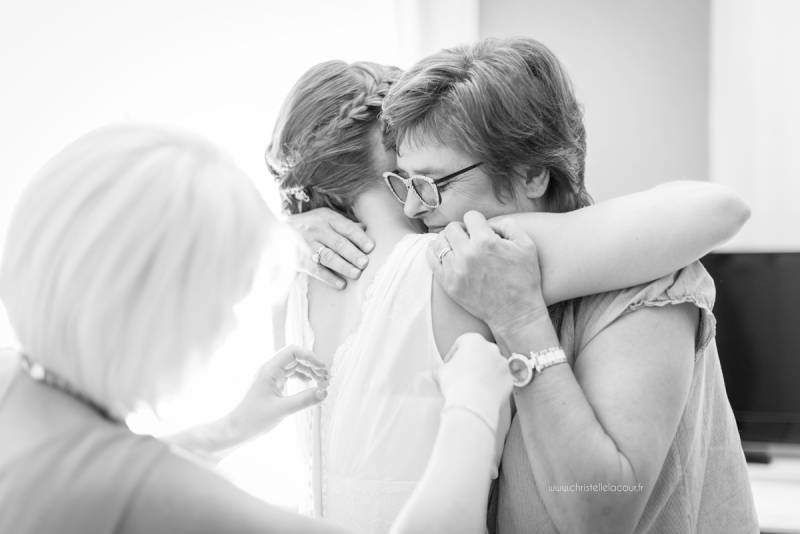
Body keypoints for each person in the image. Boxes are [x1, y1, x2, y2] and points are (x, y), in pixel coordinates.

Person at [265, 59, 751, 532]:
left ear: (531, 175)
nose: (412, 205)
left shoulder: (646, 281)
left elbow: (600, 514)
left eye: (431, 183)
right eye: (401, 181)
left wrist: (519, 318)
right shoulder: (455, 270)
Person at [0, 123, 514, 534]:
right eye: (222, 295)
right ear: (147, 305)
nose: (226, 324)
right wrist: (472, 408)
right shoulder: (144, 491)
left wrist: (232, 428)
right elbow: (125, 484)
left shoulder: (14, 384)